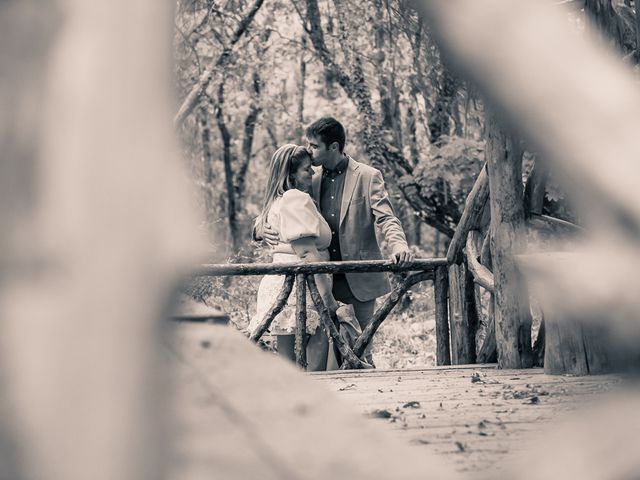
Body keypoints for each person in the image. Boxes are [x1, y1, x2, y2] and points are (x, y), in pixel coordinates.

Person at [260, 117, 413, 366]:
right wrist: (259, 227)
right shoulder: (309, 178)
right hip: (320, 281)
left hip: (358, 280)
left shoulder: (368, 176)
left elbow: (387, 219)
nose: (309, 151)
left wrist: (400, 247)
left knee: (361, 349)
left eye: (314, 146)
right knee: (326, 355)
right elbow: (281, 205)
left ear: (333, 147)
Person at [249, 144, 359, 371]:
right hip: (303, 288)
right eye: (306, 170)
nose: (312, 173)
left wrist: (258, 229)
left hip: (283, 284)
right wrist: (327, 298)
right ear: (291, 175)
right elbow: (307, 252)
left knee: (288, 363)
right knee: (315, 363)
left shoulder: (278, 201)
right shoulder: (295, 198)